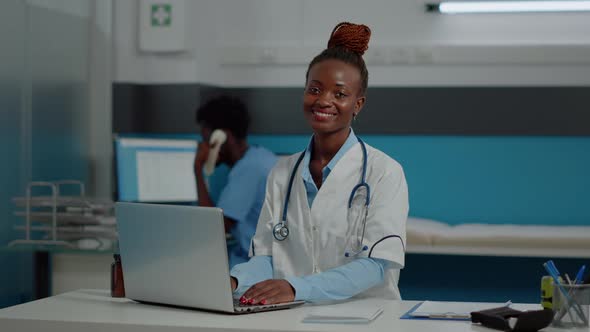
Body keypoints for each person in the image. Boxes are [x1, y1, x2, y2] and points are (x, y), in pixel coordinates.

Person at [229, 22, 409, 305]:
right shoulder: (282, 173)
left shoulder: (384, 172)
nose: (324, 101)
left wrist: (297, 288)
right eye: (315, 89)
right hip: (295, 315)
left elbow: (376, 266)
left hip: (367, 318)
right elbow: (265, 256)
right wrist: (235, 280)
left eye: (340, 94)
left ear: (358, 104)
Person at [194, 95, 278, 268]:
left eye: (206, 140)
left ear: (221, 138)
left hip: (259, 266)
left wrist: (197, 167)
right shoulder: (261, 157)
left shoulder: (249, 169)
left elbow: (212, 229)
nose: (203, 147)